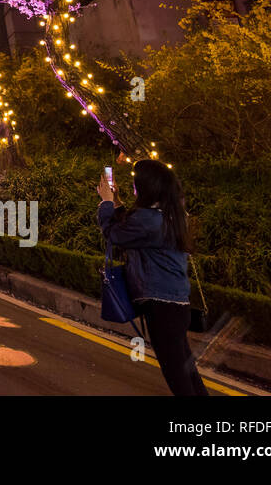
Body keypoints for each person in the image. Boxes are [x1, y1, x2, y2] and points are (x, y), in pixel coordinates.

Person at [97, 159, 209, 396]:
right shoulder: (171, 214)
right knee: (186, 370)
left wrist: (106, 203)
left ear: (147, 186)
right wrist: (117, 202)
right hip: (177, 305)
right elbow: (133, 225)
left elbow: (114, 234)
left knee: (177, 376)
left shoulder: (148, 220)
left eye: (136, 183)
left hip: (161, 308)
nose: (135, 187)